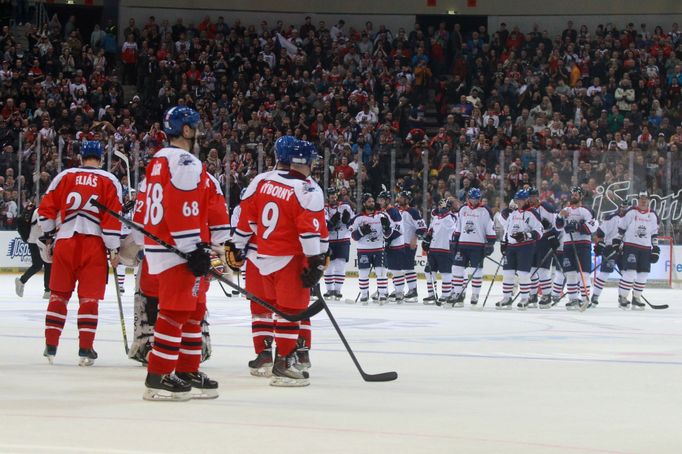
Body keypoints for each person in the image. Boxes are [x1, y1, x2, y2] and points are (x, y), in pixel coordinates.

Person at [232, 139, 329, 387]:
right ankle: (287, 359)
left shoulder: (262, 180)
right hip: (290, 257)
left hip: (259, 255)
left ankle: (267, 354)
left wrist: (236, 245)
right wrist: (317, 261)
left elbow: (247, 217)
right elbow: (312, 230)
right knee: (292, 309)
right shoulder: (307, 188)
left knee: (263, 307)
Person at [141, 106, 219, 401]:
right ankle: (158, 376)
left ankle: (187, 368)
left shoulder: (159, 159)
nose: (199, 131)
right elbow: (182, 206)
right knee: (175, 311)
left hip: (167, 246)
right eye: (196, 126)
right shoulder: (186, 161)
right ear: (186, 130)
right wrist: (192, 248)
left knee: (194, 310)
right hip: (178, 249)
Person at [38, 140, 122, 365]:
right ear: (101, 158)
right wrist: (114, 248)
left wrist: (48, 238)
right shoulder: (109, 179)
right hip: (93, 244)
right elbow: (112, 218)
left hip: (65, 240)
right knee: (89, 298)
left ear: (81, 157)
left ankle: (51, 345)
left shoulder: (65, 176)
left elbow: (45, 210)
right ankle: (85, 349)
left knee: (58, 295)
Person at [496, 189, 543, 310]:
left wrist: (526, 235)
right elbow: (508, 229)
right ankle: (507, 298)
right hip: (512, 247)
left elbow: (539, 231)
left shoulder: (532, 213)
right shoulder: (514, 213)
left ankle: (525, 298)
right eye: (517, 200)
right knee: (507, 273)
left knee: (523, 274)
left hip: (525, 247)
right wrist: (504, 242)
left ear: (527, 200)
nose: (518, 202)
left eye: (520, 200)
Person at [555, 187, 599, 310]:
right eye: (572, 194)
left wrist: (576, 226)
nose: (573, 196)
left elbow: (593, 226)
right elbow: (558, 227)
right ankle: (573, 299)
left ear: (581, 196)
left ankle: (585, 298)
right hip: (568, 244)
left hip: (583, 244)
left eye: (576, 194)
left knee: (583, 274)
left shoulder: (585, 210)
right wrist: (559, 216)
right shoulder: (565, 210)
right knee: (570, 273)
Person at [613, 192, 659, 310]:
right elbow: (622, 228)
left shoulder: (652, 214)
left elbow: (654, 233)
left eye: (646, 198)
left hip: (645, 248)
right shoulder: (631, 212)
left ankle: (636, 298)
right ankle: (622, 297)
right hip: (631, 246)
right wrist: (617, 241)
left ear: (649, 200)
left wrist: (656, 248)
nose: (643, 201)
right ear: (638, 200)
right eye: (641, 198)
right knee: (630, 272)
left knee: (643, 274)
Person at [451, 188, 495, 307]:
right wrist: (455, 240)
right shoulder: (463, 209)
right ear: (468, 198)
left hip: (478, 246)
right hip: (463, 244)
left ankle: (475, 294)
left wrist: (490, 243)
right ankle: (458, 293)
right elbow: (459, 226)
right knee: (456, 268)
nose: (474, 201)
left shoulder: (485, 211)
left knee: (477, 271)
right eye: (472, 198)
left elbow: (489, 228)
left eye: (477, 199)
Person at [351, 193, 389, 304]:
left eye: (373, 201)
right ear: (364, 203)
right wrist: (361, 231)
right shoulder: (358, 218)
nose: (372, 203)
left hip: (379, 248)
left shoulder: (382, 216)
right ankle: (364, 294)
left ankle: (382, 294)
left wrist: (386, 228)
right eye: (369, 201)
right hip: (363, 249)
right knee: (363, 273)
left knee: (381, 272)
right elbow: (353, 236)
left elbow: (387, 235)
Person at [591, 199, 630, 307]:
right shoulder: (612, 218)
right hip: (611, 248)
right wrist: (600, 244)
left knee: (627, 274)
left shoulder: (632, 219)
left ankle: (622, 297)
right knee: (604, 273)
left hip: (625, 250)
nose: (623, 210)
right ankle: (595, 296)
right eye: (622, 207)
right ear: (620, 207)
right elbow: (600, 232)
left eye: (626, 208)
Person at [527, 187, 560, 308]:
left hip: (545, 241)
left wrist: (553, 235)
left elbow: (558, 224)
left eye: (533, 196)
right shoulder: (528, 209)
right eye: (529, 197)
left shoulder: (547, 207)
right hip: (533, 241)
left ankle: (546, 295)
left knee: (542, 270)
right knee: (531, 269)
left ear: (537, 196)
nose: (531, 199)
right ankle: (533, 294)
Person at [422, 198, 457, 306]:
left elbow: (451, 227)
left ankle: (446, 294)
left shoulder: (452, 217)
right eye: (439, 204)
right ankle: (431, 294)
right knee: (428, 272)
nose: (439, 206)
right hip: (433, 249)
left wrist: (446, 209)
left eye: (442, 205)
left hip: (445, 249)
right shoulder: (436, 218)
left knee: (445, 273)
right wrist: (427, 239)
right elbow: (431, 231)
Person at [15, 200, 51, 299]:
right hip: (36, 241)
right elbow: (43, 225)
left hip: (39, 241)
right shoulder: (41, 211)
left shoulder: (41, 210)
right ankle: (22, 281)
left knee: (48, 265)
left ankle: (47, 290)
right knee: (38, 265)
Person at [323, 186, 354, 300]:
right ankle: (329, 290)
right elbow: (325, 226)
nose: (334, 198)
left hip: (343, 239)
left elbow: (353, 221)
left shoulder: (345, 206)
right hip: (329, 241)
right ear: (328, 197)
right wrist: (331, 223)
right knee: (329, 266)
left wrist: (348, 221)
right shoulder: (324, 209)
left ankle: (338, 290)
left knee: (340, 265)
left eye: (335, 196)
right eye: (331, 196)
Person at [397, 190, 426, 302]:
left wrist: (414, 238)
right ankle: (398, 290)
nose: (400, 199)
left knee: (408, 267)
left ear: (408, 200)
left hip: (408, 244)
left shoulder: (412, 211)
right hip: (398, 245)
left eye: (403, 197)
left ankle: (413, 290)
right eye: (400, 197)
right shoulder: (397, 211)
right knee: (398, 268)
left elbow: (422, 227)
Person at [376, 190, 405, 302]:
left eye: (382, 200)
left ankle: (399, 292)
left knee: (396, 270)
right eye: (379, 199)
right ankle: (383, 290)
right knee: (384, 269)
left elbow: (399, 229)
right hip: (388, 244)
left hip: (396, 245)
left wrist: (389, 238)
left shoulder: (393, 211)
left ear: (387, 200)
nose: (380, 202)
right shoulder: (382, 211)